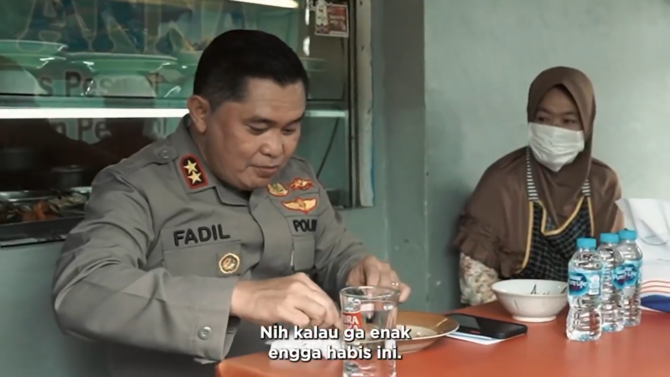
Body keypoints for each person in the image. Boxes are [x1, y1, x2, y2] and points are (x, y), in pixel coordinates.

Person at [51, 30, 410, 377]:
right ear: (201, 113)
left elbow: (334, 251)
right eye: (257, 129)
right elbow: (81, 291)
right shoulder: (138, 186)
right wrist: (236, 298)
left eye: (290, 130)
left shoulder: (296, 177)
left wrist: (357, 272)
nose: (276, 149)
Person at [454, 66, 623, 307]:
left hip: (583, 317)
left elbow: (615, 266)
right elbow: (476, 285)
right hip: (515, 319)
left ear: (586, 124)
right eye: (543, 119)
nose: (554, 130)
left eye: (568, 121)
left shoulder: (601, 182)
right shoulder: (503, 180)